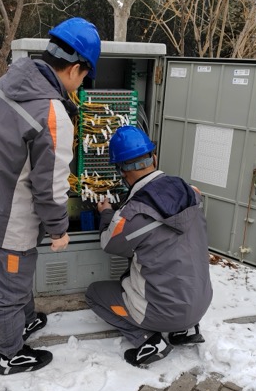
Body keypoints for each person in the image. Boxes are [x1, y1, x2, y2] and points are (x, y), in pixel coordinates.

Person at [0, 17, 101, 375]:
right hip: (10, 218)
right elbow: (51, 187)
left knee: (19, 273)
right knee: (10, 285)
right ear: (74, 68)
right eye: (84, 77)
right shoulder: (52, 112)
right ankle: (10, 354)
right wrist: (58, 230)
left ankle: (23, 323)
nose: (81, 85)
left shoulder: (10, 82)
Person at [85, 126, 213, 367]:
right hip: (201, 302)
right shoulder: (191, 194)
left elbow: (109, 244)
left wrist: (106, 214)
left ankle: (147, 340)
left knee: (95, 294)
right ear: (154, 158)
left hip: (163, 313)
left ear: (121, 172)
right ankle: (185, 330)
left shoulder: (132, 214)